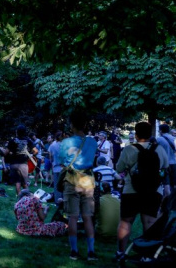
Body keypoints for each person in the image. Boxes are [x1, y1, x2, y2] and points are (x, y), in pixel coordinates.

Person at [115, 122, 169, 262]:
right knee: (150, 222)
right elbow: (165, 166)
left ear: (136, 134)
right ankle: (147, 255)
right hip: (153, 191)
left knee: (126, 222)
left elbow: (119, 168)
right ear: (150, 134)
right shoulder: (159, 149)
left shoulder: (128, 149)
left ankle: (121, 251)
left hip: (131, 190)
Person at [58, 112, 98, 261]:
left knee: (72, 218)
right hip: (87, 182)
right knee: (88, 218)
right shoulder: (93, 142)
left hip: (71, 181)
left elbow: (61, 162)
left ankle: (74, 251)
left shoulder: (66, 142)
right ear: (85, 125)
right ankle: (91, 251)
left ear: (72, 125)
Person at [0, 125, 37, 196]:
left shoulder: (12, 141)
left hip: (14, 164)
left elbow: (5, 153)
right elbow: (36, 151)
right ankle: (28, 200)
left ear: (17, 132)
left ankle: (19, 200)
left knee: (17, 182)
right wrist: (30, 154)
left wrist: (1, 150)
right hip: (23, 164)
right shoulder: (28, 140)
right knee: (25, 183)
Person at [156, 124, 176, 190]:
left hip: (163, 165)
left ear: (161, 131)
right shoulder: (174, 139)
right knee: (173, 183)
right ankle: (173, 198)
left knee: (164, 182)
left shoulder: (159, 139)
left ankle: (166, 197)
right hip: (174, 163)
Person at [49, 131, 64, 204]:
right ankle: (64, 200)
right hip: (63, 168)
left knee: (56, 186)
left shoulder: (52, 145)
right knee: (64, 185)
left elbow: (50, 157)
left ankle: (57, 201)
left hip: (55, 167)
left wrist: (52, 162)